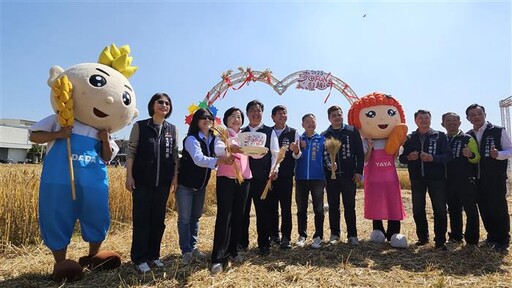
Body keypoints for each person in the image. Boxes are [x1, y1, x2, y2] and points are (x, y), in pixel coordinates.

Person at [125, 93, 178, 273]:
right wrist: (129, 176)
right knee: (142, 220)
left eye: (167, 103)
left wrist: (175, 177)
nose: (164, 105)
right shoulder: (140, 126)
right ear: (152, 105)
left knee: (158, 220)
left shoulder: (172, 129)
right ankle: (139, 257)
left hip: (163, 183)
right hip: (142, 181)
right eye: (160, 102)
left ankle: (154, 255)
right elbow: (131, 152)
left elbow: (174, 156)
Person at [347, 93, 408, 248]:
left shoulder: (392, 140)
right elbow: (365, 160)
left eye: (390, 113)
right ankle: (378, 229)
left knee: (393, 203)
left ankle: (394, 232)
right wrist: (370, 148)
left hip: (390, 178)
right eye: (371, 115)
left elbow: (395, 158)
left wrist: (397, 142)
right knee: (376, 203)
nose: (381, 120)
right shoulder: (366, 142)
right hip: (373, 179)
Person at [176, 108, 233, 264]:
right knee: (185, 218)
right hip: (185, 186)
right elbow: (198, 159)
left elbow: (223, 147)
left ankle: (193, 247)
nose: (207, 120)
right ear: (196, 121)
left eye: (209, 118)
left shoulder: (214, 139)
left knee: (195, 218)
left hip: (201, 186)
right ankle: (186, 250)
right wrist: (219, 161)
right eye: (203, 117)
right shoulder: (191, 139)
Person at [399, 109, 452, 250]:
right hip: (417, 179)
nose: (424, 120)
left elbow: (448, 156)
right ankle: (422, 238)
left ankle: (440, 241)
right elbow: (402, 158)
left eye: (427, 118)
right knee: (418, 210)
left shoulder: (439, 136)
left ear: (430, 119)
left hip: (437, 179)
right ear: (415, 120)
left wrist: (432, 158)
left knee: (440, 210)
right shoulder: (410, 138)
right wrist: (409, 157)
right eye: (421, 118)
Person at [210, 107, 252, 274]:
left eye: (239, 116)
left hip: (245, 179)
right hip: (226, 179)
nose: (237, 119)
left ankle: (233, 251)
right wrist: (231, 146)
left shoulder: (246, 136)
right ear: (226, 119)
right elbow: (219, 149)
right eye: (233, 116)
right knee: (224, 217)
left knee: (238, 217)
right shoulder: (222, 134)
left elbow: (255, 154)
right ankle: (218, 258)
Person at [466, 104, 512, 251]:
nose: (476, 117)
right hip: (477, 179)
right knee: (484, 208)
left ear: (485, 114)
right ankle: (491, 236)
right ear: (468, 118)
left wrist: (498, 154)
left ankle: (503, 239)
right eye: (472, 115)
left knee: (498, 208)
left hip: (495, 177)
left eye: (479, 113)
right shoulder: (468, 135)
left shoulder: (498, 131)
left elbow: (510, 150)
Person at [239, 100, 280, 256]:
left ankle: (264, 244)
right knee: (243, 212)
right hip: (244, 178)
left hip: (263, 178)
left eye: (258, 111)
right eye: (252, 111)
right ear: (247, 114)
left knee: (263, 212)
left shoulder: (270, 132)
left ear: (262, 113)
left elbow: (275, 154)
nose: (255, 113)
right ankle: (242, 243)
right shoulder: (241, 132)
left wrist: (273, 170)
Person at [321, 105, 364, 246]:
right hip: (331, 177)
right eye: (334, 115)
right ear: (329, 118)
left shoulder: (352, 131)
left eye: (339, 115)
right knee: (333, 206)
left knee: (349, 206)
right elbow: (322, 158)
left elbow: (359, 153)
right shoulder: (325, 135)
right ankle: (335, 234)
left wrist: (358, 172)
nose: (337, 117)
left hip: (348, 176)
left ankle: (352, 235)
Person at [441, 112, 481, 246]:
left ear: (459, 123)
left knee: (471, 211)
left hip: (466, 180)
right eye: (448, 121)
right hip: (448, 181)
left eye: (454, 121)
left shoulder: (467, 138)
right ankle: (456, 237)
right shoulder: (442, 139)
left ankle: (472, 240)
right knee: (453, 210)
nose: (451, 123)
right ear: (443, 124)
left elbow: (477, 159)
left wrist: (470, 154)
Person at [268, 105, 301, 249]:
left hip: (287, 175)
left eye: (284, 113)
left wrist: (296, 150)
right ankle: (274, 235)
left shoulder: (293, 132)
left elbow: (297, 155)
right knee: (272, 207)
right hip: (271, 175)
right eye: (279, 114)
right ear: (273, 117)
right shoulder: (268, 132)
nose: (282, 115)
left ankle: (286, 237)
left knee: (286, 207)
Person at [295, 113, 330, 249]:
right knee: (301, 209)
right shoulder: (298, 139)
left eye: (313, 122)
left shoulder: (322, 139)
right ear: (302, 124)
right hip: (301, 178)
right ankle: (302, 236)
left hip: (318, 179)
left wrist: (331, 165)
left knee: (319, 209)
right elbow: (294, 156)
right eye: (307, 122)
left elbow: (326, 158)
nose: (310, 124)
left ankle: (318, 236)